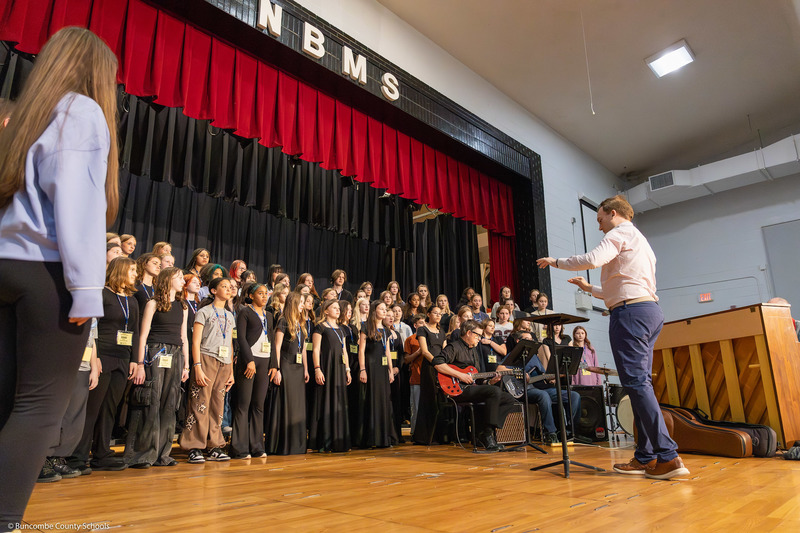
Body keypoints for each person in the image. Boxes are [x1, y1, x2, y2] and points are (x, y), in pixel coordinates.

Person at [536, 194, 688, 479]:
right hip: (648, 310)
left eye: (600, 218)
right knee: (639, 385)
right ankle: (645, 457)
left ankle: (668, 456)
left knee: (637, 385)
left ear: (614, 212)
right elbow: (621, 286)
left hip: (630, 314)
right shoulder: (641, 242)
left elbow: (592, 259)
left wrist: (555, 261)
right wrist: (588, 288)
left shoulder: (619, 233)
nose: (599, 225)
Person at [71, 258, 138, 474]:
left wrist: (135, 360)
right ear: (120, 271)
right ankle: (77, 455)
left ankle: (101, 453)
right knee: (93, 407)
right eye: (132, 270)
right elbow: (93, 328)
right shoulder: (103, 294)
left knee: (110, 408)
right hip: (104, 354)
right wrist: (95, 356)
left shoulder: (132, 300)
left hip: (123, 357)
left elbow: (135, 333)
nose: (135, 274)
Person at [124, 267, 189, 468]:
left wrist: (187, 364)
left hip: (176, 353)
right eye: (178, 277)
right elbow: (142, 336)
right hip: (155, 352)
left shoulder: (183, 306)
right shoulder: (152, 304)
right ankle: (143, 454)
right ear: (167, 280)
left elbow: (184, 336)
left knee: (170, 403)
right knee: (151, 400)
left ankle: (163, 454)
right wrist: (141, 363)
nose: (182, 281)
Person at [432, 320, 518, 451]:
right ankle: (487, 436)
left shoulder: (474, 351)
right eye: (478, 335)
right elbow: (437, 363)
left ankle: (485, 430)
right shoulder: (454, 347)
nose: (479, 339)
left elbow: (478, 381)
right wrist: (460, 375)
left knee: (510, 400)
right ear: (468, 333)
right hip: (457, 390)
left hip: (471, 388)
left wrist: (490, 382)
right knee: (494, 392)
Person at [180, 277, 236, 463]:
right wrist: (197, 366)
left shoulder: (230, 315)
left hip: (224, 362)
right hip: (206, 358)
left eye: (230, 287)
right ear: (213, 290)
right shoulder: (203, 312)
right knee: (200, 402)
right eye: (224, 286)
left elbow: (229, 343)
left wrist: (231, 371)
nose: (228, 290)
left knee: (217, 404)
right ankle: (194, 445)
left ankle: (215, 445)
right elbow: (195, 342)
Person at [231, 284, 272, 459]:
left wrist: (274, 364)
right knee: (243, 404)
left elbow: (270, 339)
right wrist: (249, 360)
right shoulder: (245, 312)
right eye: (260, 293)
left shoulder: (269, 315)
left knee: (258, 405)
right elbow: (241, 337)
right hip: (249, 361)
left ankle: (257, 447)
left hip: (265, 361)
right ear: (251, 295)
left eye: (266, 294)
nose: (264, 296)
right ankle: (239, 448)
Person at [267, 292, 309, 455]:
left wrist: (306, 368)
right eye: (300, 302)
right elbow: (276, 347)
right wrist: (276, 369)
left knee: (297, 406)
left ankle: (296, 444)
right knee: (286, 404)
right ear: (293, 303)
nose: (302, 305)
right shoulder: (283, 321)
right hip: (286, 365)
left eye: (304, 302)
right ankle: (282, 445)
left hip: (298, 368)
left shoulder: (301, 323)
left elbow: (303, 348)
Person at [309, 300, 352, 453]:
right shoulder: (320, 328)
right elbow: (315, 350)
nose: (337, 310)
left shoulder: (341, 330)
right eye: (334, 308)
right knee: (326, 400)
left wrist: (347, 369)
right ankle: (324, 441)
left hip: (340, 369)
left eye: (338, 308)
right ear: (326, 311)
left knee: (339, 402)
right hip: (327, 367)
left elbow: (344, 351)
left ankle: (339, 440)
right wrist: (317, 369)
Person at [356, 301, 397, 448]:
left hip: (383, 367)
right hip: (370, 367)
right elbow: (361, 350)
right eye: (381, 309)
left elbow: (387, 352)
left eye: (385, 309)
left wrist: (390, 370)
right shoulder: (366, 327)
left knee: (383, 400)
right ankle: (371, 437)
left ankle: (383, 437)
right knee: (372, 399)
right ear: (374, 311)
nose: (384, 311)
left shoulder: (385, 330)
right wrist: (362, 369)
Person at [412, 306, 447, 445]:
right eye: (435, 313)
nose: (438, 315)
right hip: (430, 367)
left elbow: (445, 350)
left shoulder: (442, 331)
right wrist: (436, 363)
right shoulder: (423, 329)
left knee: (441, 399)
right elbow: (425, 351)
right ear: (428, 314)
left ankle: (442, 435)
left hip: (442, 367)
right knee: (429, 399)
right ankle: (425, 436)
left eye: (440, 313)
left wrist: (444, 365)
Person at [403, 314, 426, 434]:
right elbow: (406, 359)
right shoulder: (410, 339)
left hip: (428, 377)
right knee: (416, 407)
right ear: (415, 325)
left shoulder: (429, 338)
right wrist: (418, 352)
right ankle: (415, 433)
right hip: (416, 377)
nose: (423, 325)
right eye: (420, 323)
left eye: (424, 323)